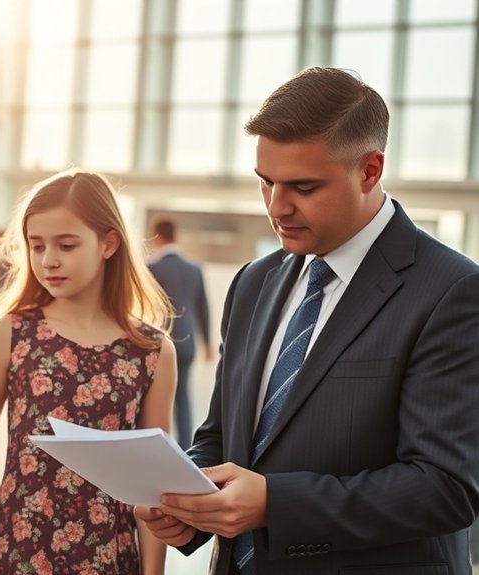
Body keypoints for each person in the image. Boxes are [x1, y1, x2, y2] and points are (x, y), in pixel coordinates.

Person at [134, 67, 479, 575]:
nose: (277, 207)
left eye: (302, 186)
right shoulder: (254, 282)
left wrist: (276, 502)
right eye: (266, 182)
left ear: (370, 170)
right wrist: (188, 507)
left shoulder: (451, 291)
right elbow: (223, 435)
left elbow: (445, 488)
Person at [0, 170, 177, 574]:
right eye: (36, 246)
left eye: (66, 245)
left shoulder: (150, 350)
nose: (48, 260)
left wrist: (153, 572)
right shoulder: (13, 331)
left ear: (109, 243)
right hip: (19, 548)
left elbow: (152, 484)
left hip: (108, 556)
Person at [148, 218, 212, 450]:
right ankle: (186, 450)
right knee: (183, 397)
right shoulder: (194, 269)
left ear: (157, 237)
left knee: (154, 402)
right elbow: (203, 308)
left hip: (158, 343)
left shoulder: (152, 267)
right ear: (176, 236)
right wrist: (207, 345)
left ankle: (158, 450)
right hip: (188, 343)